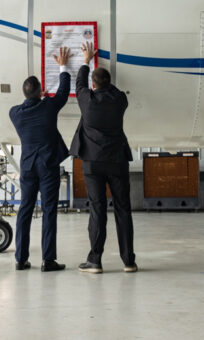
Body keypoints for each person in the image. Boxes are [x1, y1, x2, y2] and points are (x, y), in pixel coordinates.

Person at [70, 42, 137, 274]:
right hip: (117, 160)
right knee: (123, 210)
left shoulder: (86, 99)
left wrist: (86, 60)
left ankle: (95, 261)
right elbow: (115, 92)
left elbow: (79, 82)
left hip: (92, 162)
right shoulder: (119, 100)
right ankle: (129, 261)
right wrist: (103, 78)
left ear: (92, 85)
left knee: (97, 210)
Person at [9, 47, 73, 272]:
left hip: (27, 167)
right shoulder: (48, 107)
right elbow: (64, 92)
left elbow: (29, 105)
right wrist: (63, 66)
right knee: (49, 211)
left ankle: (21, 259)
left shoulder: (14, 113)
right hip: (47, 165)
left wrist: (38, 98)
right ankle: (48, 260)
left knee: (24, 211)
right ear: (40, 92)